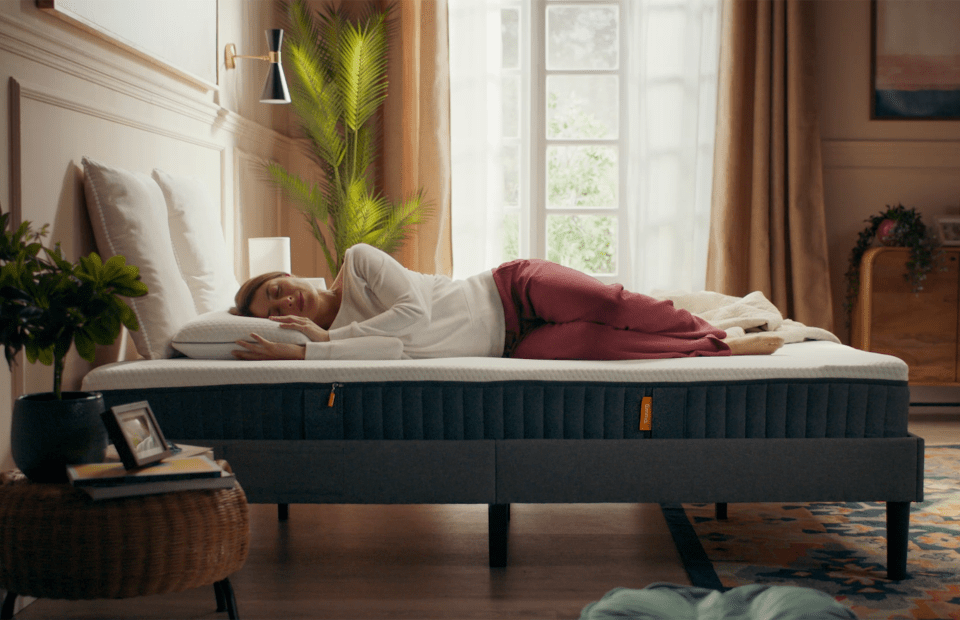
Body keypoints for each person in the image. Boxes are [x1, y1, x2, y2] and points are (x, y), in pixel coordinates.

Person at [231, 243, 784, 361]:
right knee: (599, 343)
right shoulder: (333, 343)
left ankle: (713, 322)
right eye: (274, 311)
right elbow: (383, 354)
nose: (285, 303)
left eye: (277, 289)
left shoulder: (359, 263)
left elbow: (413, 317)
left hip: (509, 289)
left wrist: (329, 340)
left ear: (289, 273)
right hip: (513, 346)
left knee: (611, 305)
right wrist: (309, 353)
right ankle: (724, 347)